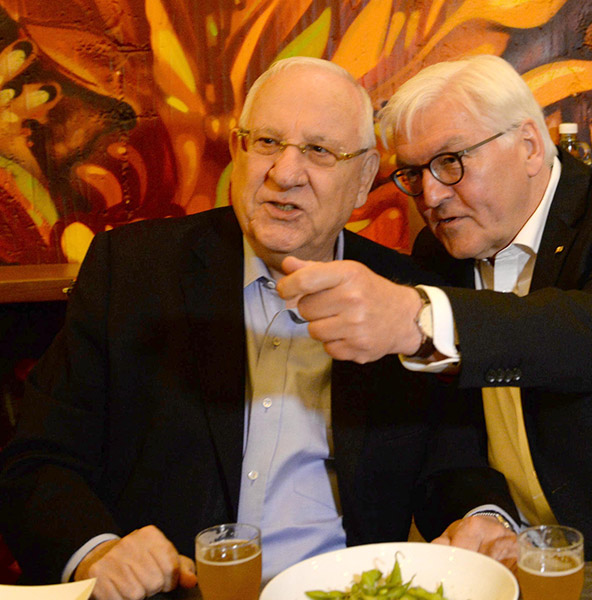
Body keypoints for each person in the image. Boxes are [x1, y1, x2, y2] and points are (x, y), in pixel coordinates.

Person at [0, 57, 516, 600]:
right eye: (267, 142)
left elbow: (452, 466)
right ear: (239, 152)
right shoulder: (131, 271)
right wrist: (100, 551)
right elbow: (36, 463)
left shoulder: (405, 297)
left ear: (364, 178)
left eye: (319, 151)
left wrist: (482, 517)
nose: (284, 174)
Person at [277, 54, 592, 560]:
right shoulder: (439, 253)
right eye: (415, 174)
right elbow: (450, 433)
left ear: (529, 145)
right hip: (538, 567)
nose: (431, 196)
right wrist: (487, 513)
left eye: (451, 162)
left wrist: (419, 318)